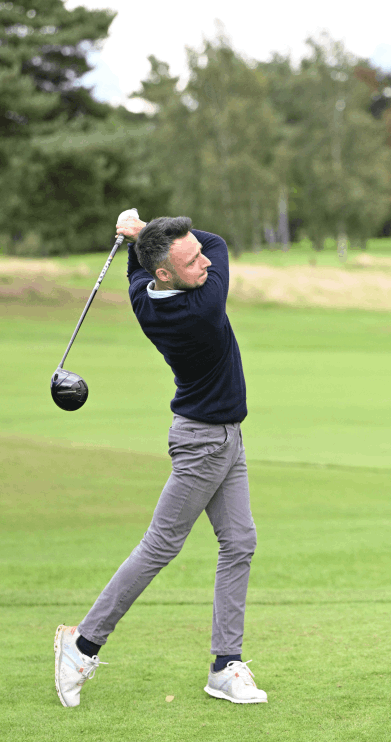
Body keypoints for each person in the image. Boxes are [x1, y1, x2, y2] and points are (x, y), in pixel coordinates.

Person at [54, 214, 267, 707]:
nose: (205, 262)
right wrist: (143, 227)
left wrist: (142, 237)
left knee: (239, 541)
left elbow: (147, 263)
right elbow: (219, 240)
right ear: (166, 274)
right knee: (160, 545)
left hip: (224, 437)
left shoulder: (142, 295)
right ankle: (81, 644)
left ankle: (224, 666)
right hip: (204, 444)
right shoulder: (203, 308)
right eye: (192, 262)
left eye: (199, 255)